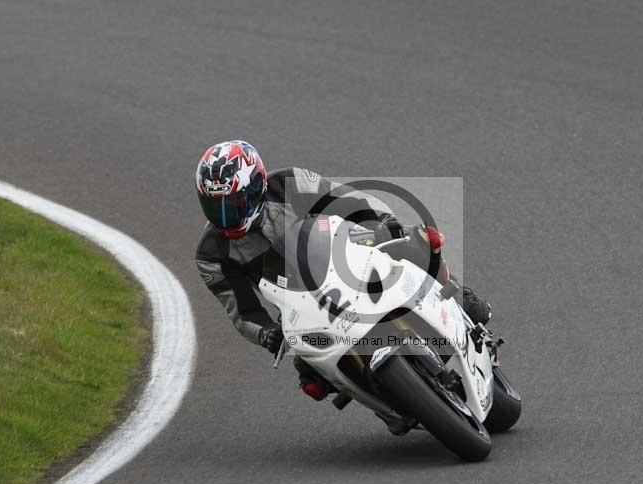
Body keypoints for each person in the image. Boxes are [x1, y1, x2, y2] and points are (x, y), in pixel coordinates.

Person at [195, 140, 490, 401]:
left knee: (415, 243)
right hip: (299, 306)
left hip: (343, 259)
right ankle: (387, 402)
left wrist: (382, 222)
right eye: (215, 207)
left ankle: (459, 297)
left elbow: (347, 199)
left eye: (233, 204)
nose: (225, 217)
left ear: (256, 187)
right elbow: (242, 311)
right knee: (311, 377)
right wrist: (266, 333)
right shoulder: (211, 254)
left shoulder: (288, 182)